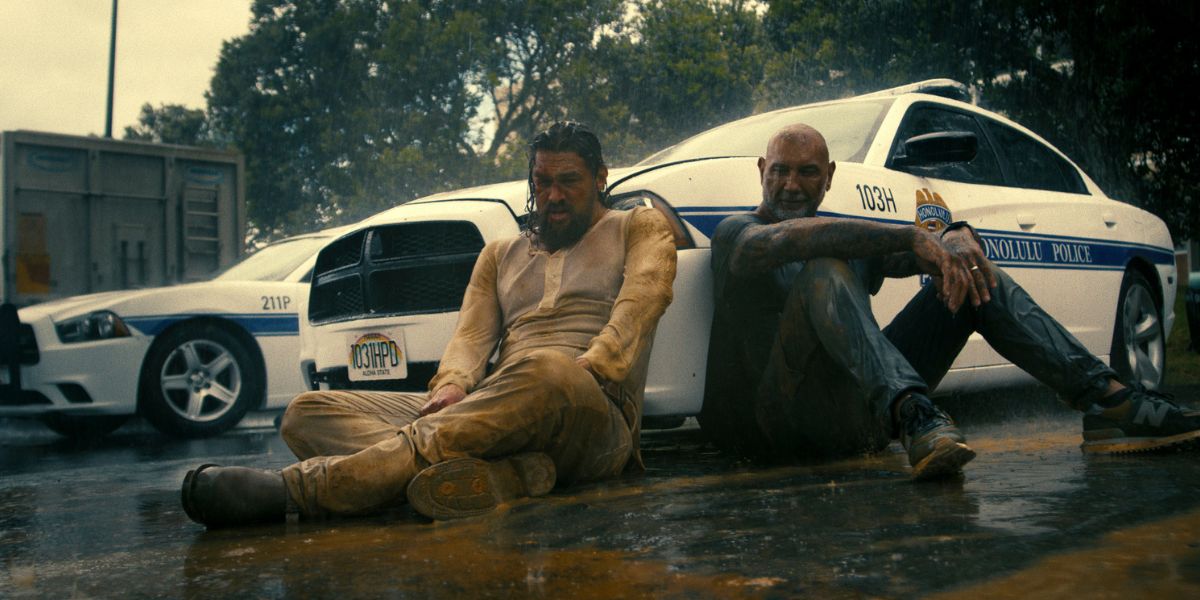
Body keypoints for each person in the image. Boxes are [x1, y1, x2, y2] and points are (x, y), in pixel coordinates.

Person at [181, 122, 678, 527]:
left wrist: (590, 366)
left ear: (599, 177)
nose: (553, 196)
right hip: (494, 407)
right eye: (542, 182)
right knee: (306, 413)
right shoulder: (501, 254)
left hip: (592, 415)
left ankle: (305, 489)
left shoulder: (637, 225)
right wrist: (452, 386)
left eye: (568, 181)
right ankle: (509, 474)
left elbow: (643, 301)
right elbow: (470, 339)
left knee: (547, 371)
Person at [700, 123, 1200, 480]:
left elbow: (926, 251)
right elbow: (781, 242)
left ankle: (1107, 399)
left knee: (974, 275)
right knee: (823, 269)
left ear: (829, 176)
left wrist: (957, 237)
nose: (790, 184)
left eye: (807, 172)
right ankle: (916, 414)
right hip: (781, 425)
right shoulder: (736, 234)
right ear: (761, 170)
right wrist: (907, 235)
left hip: (860, 418)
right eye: (780, 171)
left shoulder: (851, 241)